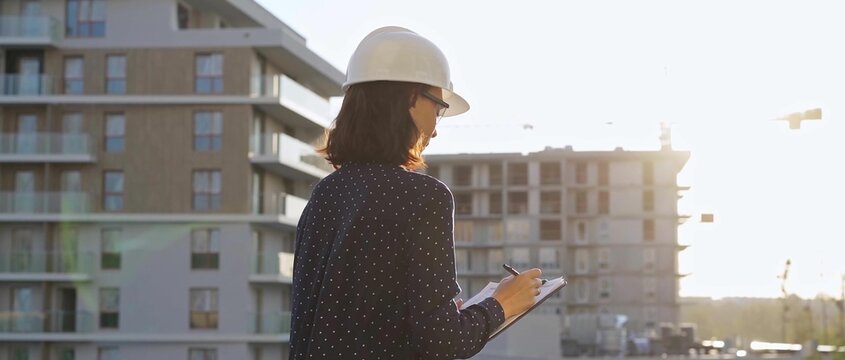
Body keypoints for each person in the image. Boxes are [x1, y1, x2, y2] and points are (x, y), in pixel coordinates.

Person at [289, 26, 543, 360]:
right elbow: (442, 343)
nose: (436, 130)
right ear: (411, 98)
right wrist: (502, 304)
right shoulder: (423, 197)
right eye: (438, 108)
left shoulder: (325, 193)